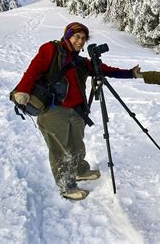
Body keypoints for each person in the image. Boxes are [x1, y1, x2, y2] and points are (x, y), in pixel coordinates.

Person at [13, 22, 140, 200]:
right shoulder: (50, 50)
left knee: (76, 144)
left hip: (77, 111)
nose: (80, 41)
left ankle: (79, 170)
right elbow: (33, 70)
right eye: (77, 37)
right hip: (53, 110)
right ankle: (67, 186)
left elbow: (103, 70)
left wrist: (130, 73)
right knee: (60, 150)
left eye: (83, 38)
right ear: (67, 36)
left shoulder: (79, 61)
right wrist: (23, 90)